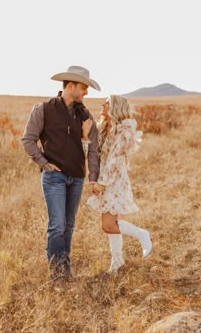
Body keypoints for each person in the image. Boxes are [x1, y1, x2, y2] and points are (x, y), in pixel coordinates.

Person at [21, 65, 100, 281]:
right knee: (57, 225)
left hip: (77, 177)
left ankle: (65, 269)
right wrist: (43, 162)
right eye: (84, 87)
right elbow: (28, 140)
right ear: (71, 86)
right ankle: (56, 274)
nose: (86, 92)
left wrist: (93, 176)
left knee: (69, 225)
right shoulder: (43, 109)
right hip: (54, 176)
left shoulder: (85, 114)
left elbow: (93, 148)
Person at [86, 94, 152, 273]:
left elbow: (113, 161)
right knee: (111, 223)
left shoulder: (124, 132)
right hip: (105, 179)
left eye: (106, 103)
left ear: (114, 108)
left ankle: (141, 234)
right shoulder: (103, 128)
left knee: (108, 224)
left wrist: (102, 183)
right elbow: (93, 153)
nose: (102, 104)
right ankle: (117, 262)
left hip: (113, 182)